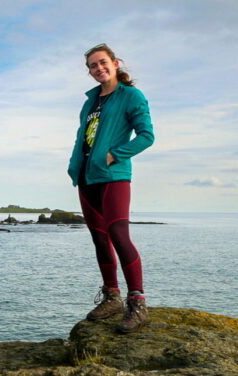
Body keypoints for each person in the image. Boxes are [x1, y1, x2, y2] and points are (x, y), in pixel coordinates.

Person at [67, 43, 154, 333]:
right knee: (99, 239)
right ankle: (112, 296)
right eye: (92, 66)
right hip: (87, 177)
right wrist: (74, 165)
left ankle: (138, 303)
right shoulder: (89, 102)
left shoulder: (130, 96)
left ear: (115, 63)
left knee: (118, 233)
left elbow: (146, 136)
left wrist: (114, 154)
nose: (98, 69)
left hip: (114, 175)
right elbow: (84, 137)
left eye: (102, 62)